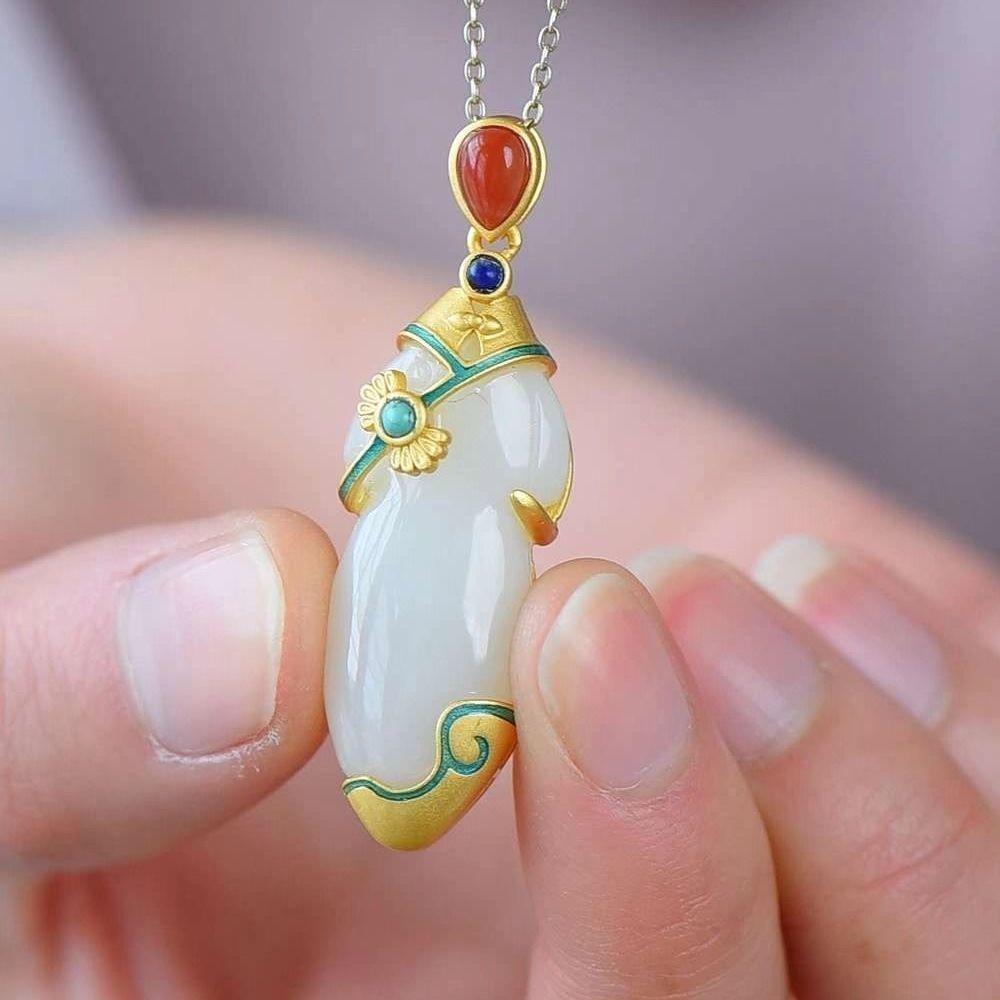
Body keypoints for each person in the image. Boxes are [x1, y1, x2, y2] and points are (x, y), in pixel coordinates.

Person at [2, 221, 998, 998]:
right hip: (402, 541)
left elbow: (536, 480)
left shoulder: (508, 411)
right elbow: (431, 462)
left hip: (464, 544)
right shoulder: (431, 418)